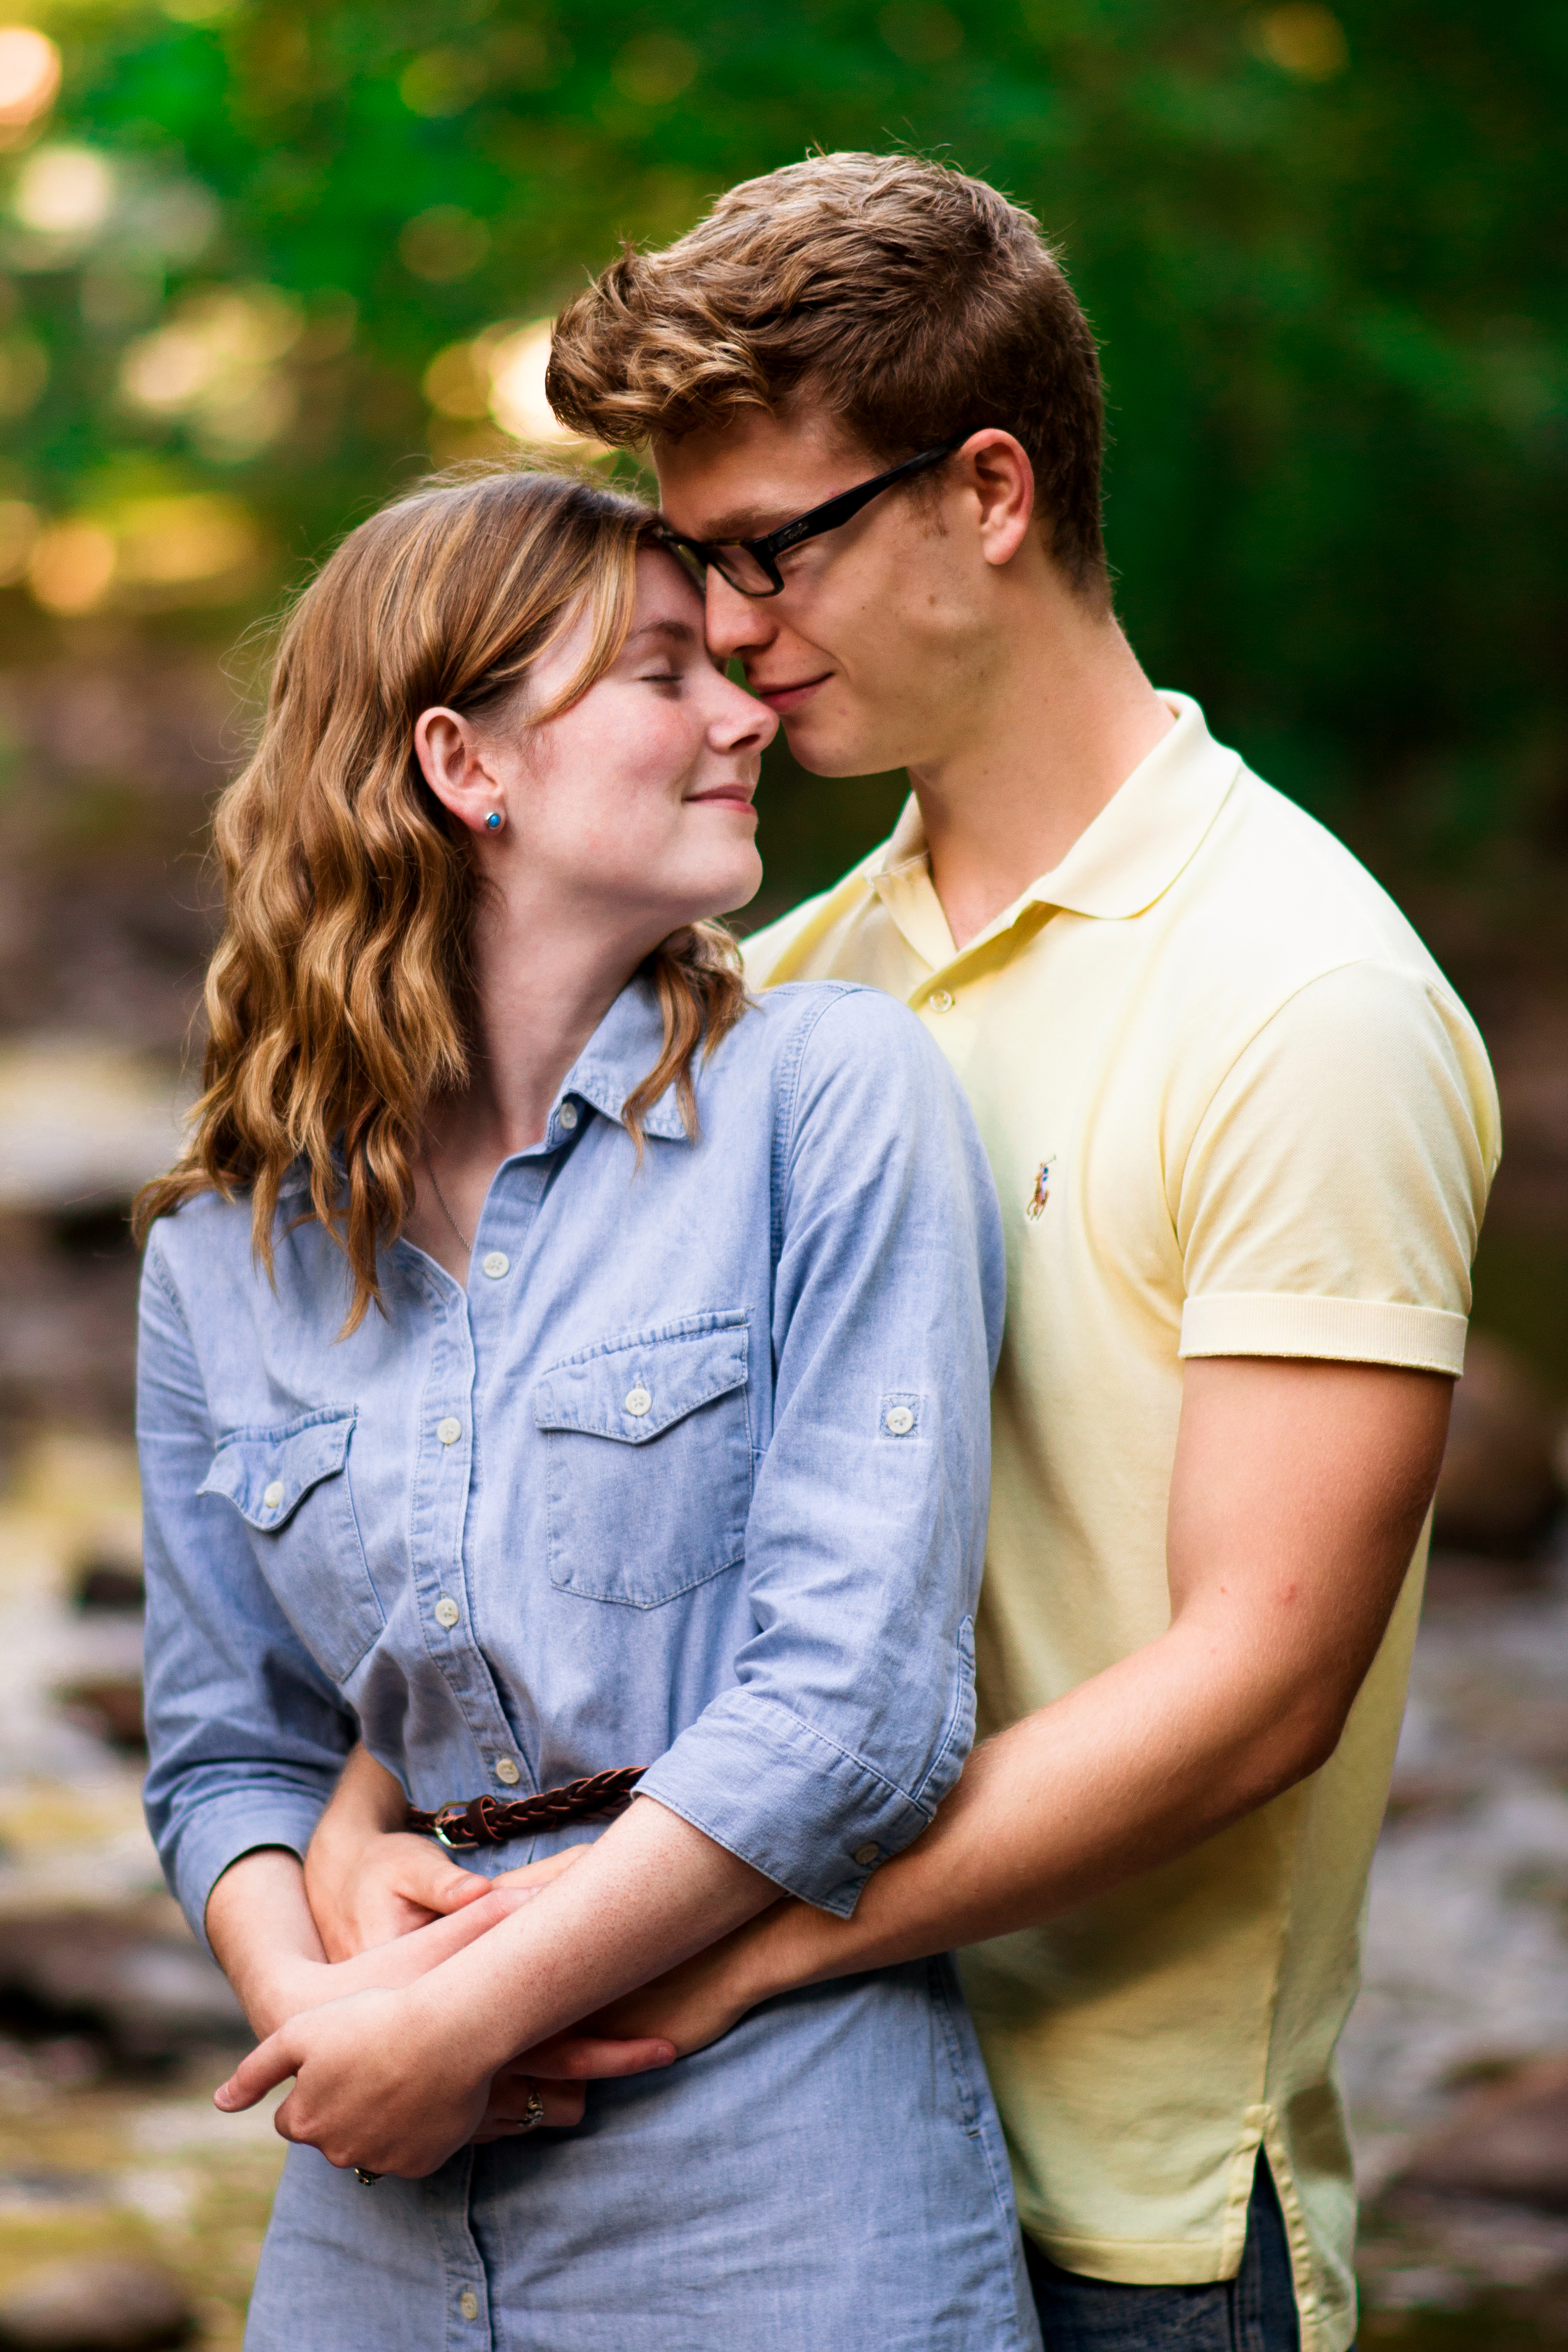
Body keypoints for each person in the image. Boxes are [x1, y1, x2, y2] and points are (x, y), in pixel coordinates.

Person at [306, 155, 1500, 2352]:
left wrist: (729, 1939)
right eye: (693, 563)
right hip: (773, 2170)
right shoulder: (766, 989)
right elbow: (562, 1490)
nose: (728, 631)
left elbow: (1258, 1689)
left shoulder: (1303, 996)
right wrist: (365, 1819)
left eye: (773, 550)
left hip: (1123, 2225)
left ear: (989, 492)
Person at [133, 464, 1042, 2351]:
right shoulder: (220, 1254)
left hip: (781, 2189)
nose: (743, 714)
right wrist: (317, 2006)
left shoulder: (831, 1099)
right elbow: (230, 1750)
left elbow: (857, 1705)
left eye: (722, 667)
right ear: (468, 763)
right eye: (658, 676)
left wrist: (462, 2018)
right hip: (373, 2211)